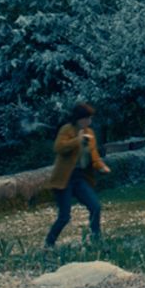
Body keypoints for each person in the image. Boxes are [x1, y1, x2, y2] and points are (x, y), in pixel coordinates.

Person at [44, 102, 111, 247]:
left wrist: (101, 167)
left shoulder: (90, 133)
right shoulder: (67, 129)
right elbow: (58, 147)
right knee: (64, 217)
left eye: (90, 119)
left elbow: (94, 155)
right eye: (86, 118)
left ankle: (96, 239)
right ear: (79, 118)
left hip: (80, 178)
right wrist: (77, 141)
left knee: (95, 207)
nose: (89, 121)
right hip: (64, 179)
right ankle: (49, 242)